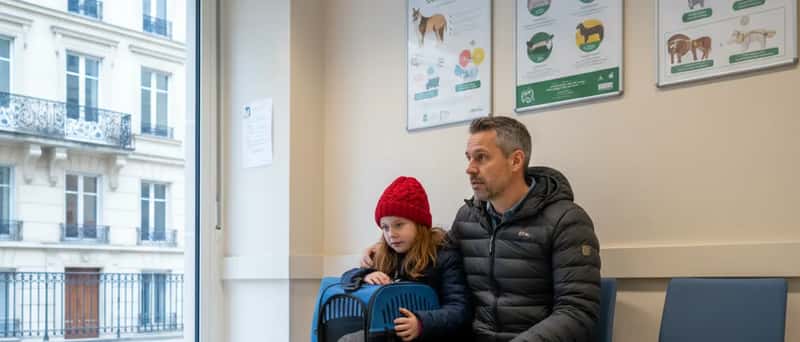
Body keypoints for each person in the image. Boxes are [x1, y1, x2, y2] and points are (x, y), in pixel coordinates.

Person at [362, 117, 601, 342]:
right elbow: (434, 260)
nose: (470, 168)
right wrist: (382, 250)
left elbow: (577, 312)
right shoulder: (468, 218)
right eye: (468, 158)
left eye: (481, 158)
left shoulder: (567, 220)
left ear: (516, 160)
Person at [342, 176, 471, 342]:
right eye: (385, 227)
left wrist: (421, 323)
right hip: (390, 332)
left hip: (430, 334)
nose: (391, 234)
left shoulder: (443, 255)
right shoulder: (385, 254)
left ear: (419, 224)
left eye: (399, 225)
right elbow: (345, 279)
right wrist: (365, 275)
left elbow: (460, 310)